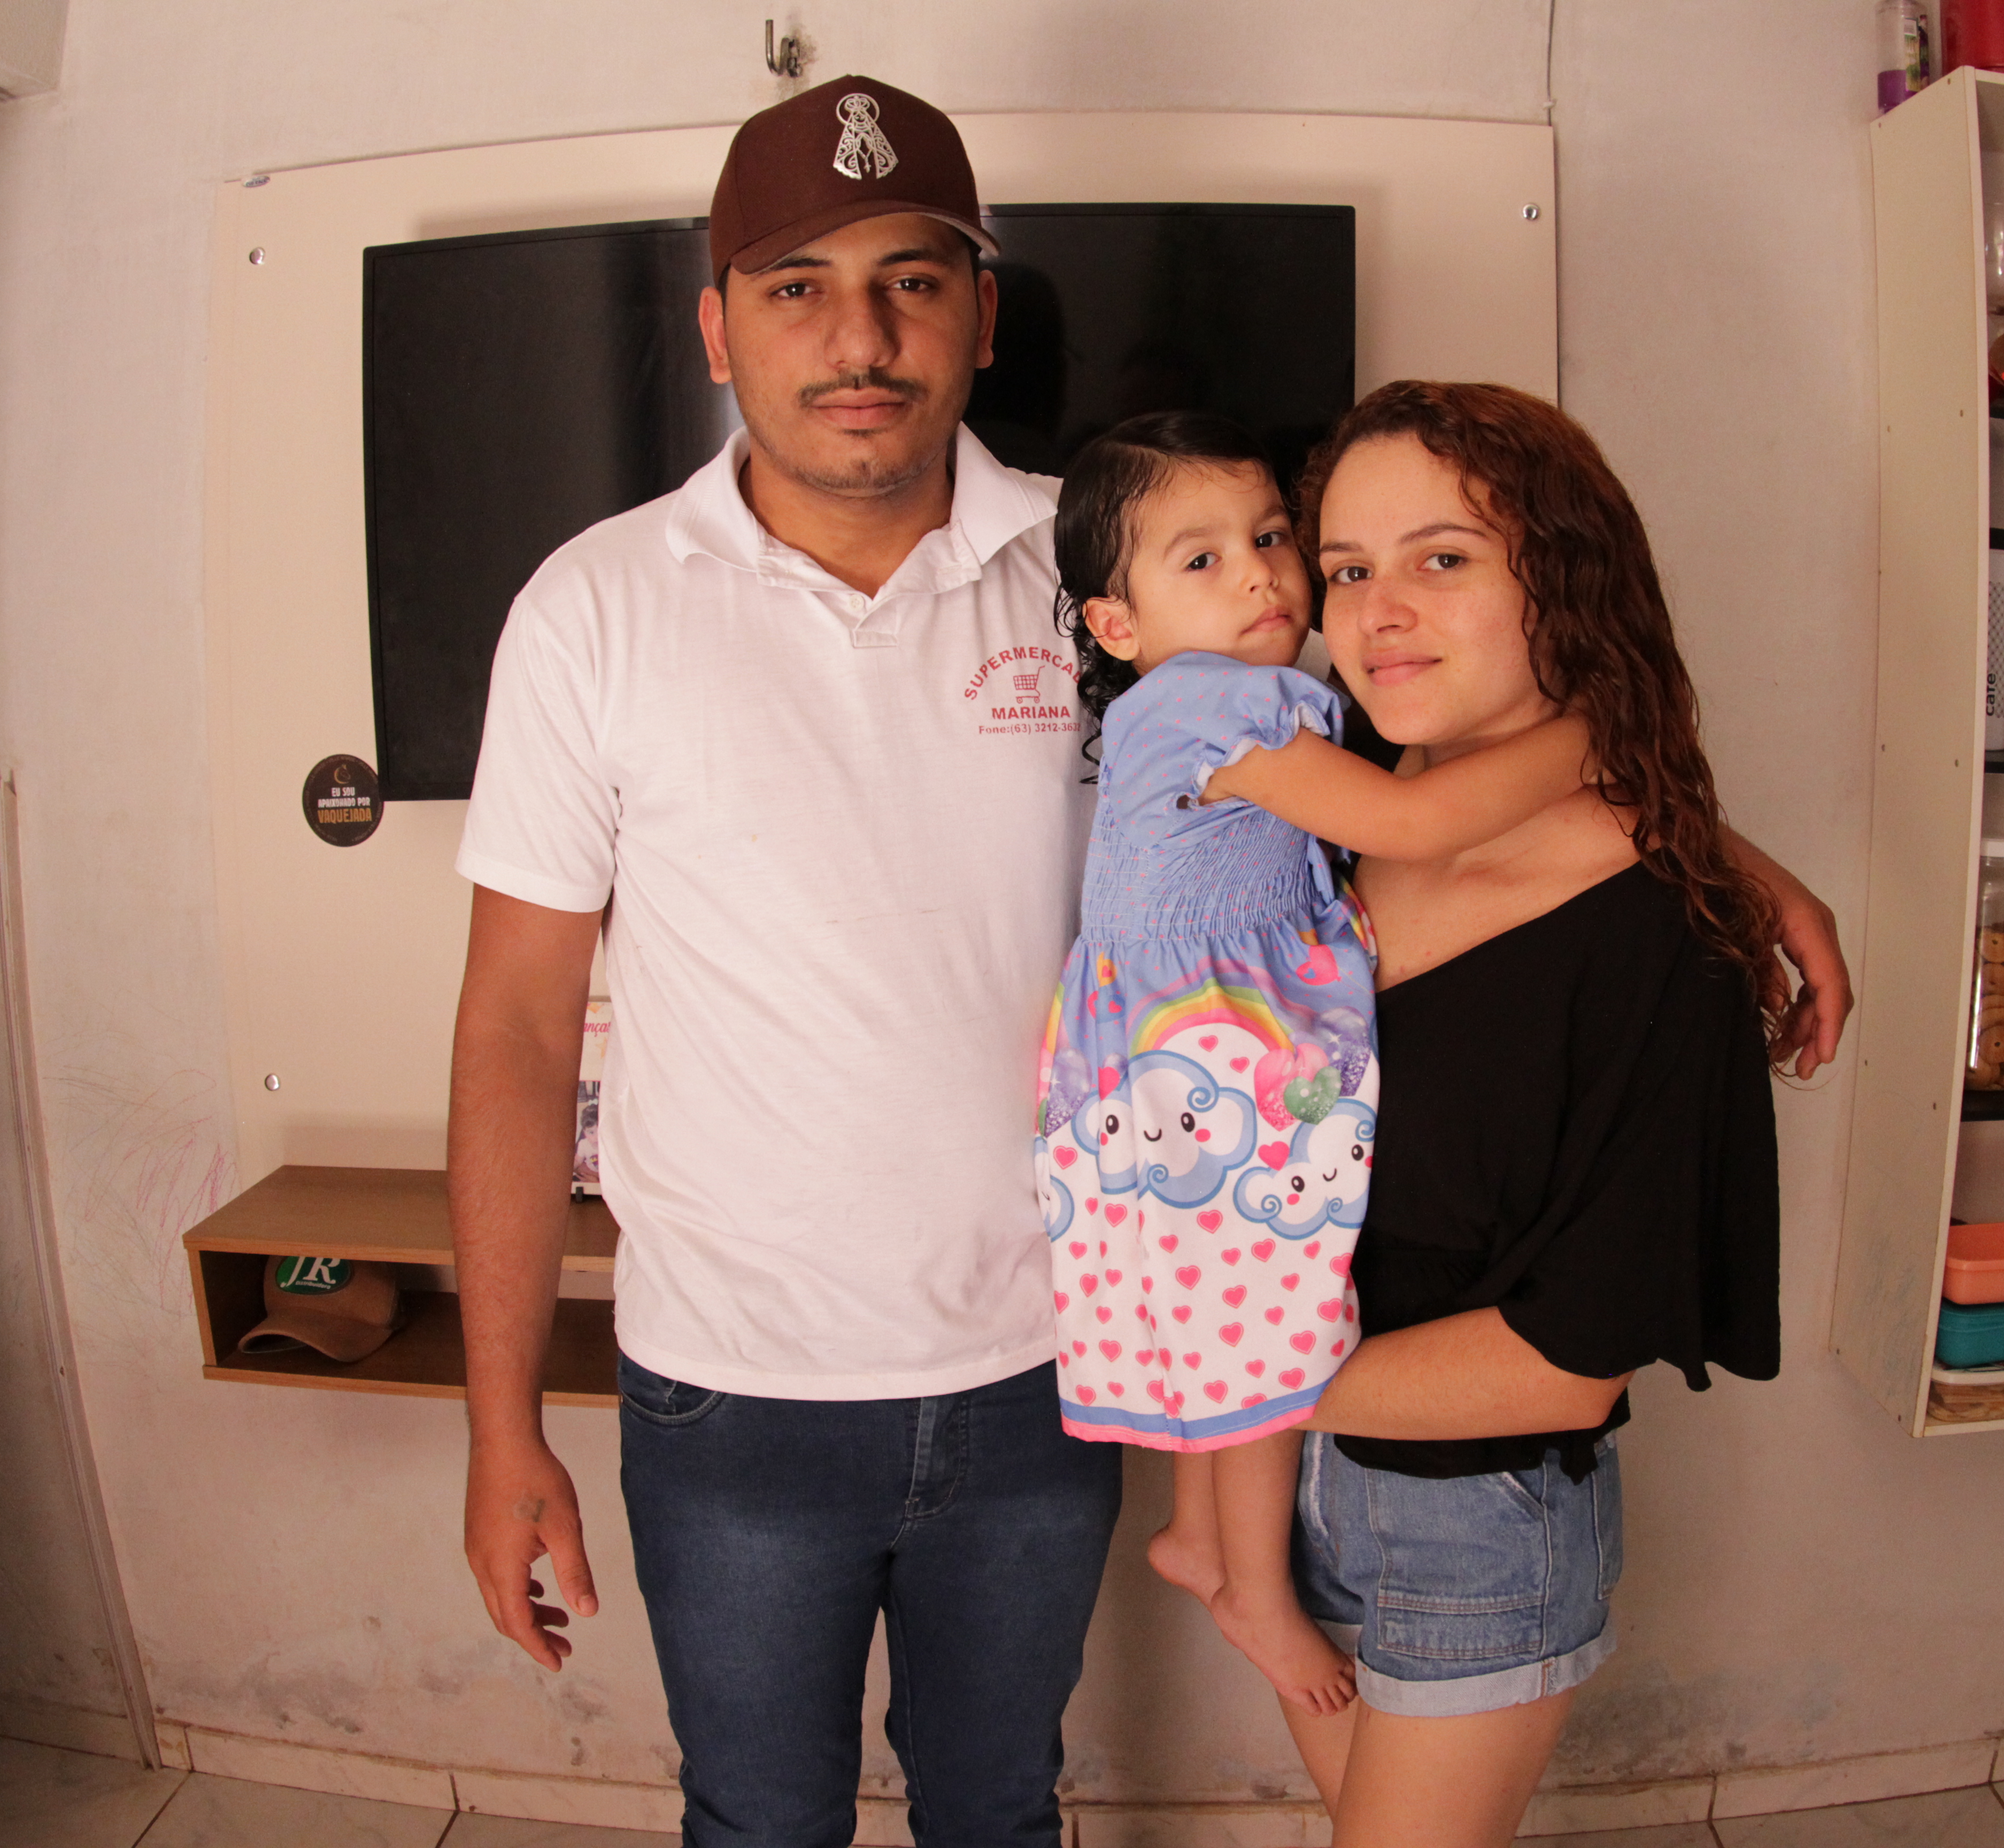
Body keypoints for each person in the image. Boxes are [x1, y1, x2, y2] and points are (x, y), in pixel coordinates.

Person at [447, 74, 1847, 1848]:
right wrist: (502, 1421)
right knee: (756, 1819)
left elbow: (1426, 734)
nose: (860, 337)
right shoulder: (595, 608)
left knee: (999, 1808)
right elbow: (513, 1033)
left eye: (911, 281)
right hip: (729, 1385)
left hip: (1045, 1362)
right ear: (718, 328)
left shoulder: (1115, 561)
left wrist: (1715, 853)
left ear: (981, 316)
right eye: (797, 286)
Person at [1271, 381, 1789, 1848]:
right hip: (1302, 1488)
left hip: (1474, 1519)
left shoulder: (1661, 930)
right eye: (1348, 569)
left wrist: (1219, 1379)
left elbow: (1568, 1361)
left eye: (1442, 559)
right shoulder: (1332, 823)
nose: (1379, 613)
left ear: (1564, 579)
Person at [1036, 411, 1588, 1718]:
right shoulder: (1217, 706)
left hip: (1162, 1066)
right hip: (1207, 1069)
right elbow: (1410, 819)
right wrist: (1598, 737)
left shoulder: (1190, 709)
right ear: (1117, 622)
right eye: (1204, 560)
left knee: (1212, 1305)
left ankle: (1196, 1532)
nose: (1262, 577)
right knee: (1271, 1324)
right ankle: (1253, 1588)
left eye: (1272, 537)